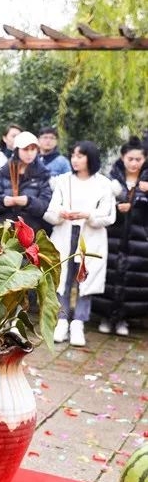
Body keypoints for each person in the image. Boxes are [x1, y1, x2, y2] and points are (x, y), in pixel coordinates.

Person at [44, 141, 115, 348]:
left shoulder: (103, 184)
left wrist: (88, 215)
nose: (75, 160)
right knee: (62, 279)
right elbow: (50, 210)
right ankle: (62, 320)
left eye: (80, 156)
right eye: (73, 155)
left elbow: (109, 216)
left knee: (85, 281)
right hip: (66, 233)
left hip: (89, 236)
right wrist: (61, 214)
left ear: (90, 158)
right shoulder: (63, 181)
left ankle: (79, 324)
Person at [92, 137, 148, 337]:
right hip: (112, 236)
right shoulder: (110, 180)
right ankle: (106, 316)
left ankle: (124, 318)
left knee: (134, 278)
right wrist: (117, 207)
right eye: (130, 159)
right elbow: (99, 206)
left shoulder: (146, 182)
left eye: (138, 159)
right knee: (109, 274)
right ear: (123, 157)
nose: (134, 163)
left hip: (139, 239)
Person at [0, 131, 52, 235]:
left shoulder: (42, 174)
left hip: (31, 232)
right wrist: (2, 201)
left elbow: (45, 205)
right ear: (17, 150)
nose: (30, 153)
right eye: (25, 149)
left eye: (33, 149)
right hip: (4, 232)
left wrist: (28, 202)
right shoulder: (4, 171)